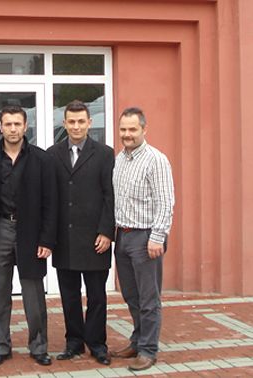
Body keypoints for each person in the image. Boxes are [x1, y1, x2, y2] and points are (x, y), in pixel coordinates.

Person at [0, 105, 57, 367]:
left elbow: (50, 203)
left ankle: (39, 346)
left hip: (31, 233)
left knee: (33, 293)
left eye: (17, 124)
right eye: (8, 124)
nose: (12, 129)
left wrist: (46, 240)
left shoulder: (41, 160)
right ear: (0, 127)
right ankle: (1, 346)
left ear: (25, 127)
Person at [47, 100, 115, 366]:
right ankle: (73, 342)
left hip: (95, 238)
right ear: (64, 123)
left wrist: (106, 232)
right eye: (71, 121)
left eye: (80, 121)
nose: (76, 126)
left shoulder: (105, 154)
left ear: (89, 123)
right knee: (69, 295)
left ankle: (97, 343)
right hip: (64, 239)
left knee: (97, 295)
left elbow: (111, 196)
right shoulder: (52, 154)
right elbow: (49, 198)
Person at [111, 107, 175, 371]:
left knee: (149, 299)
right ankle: (138, 340)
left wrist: (157, 237)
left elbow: (166, 201)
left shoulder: (156, 160)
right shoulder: (119, 159)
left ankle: (148, 350)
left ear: (144, 130)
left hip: (145, 237)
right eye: (123, 129)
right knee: (131, 295)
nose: (127, 134)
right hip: (122, 236)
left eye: (132, 129)